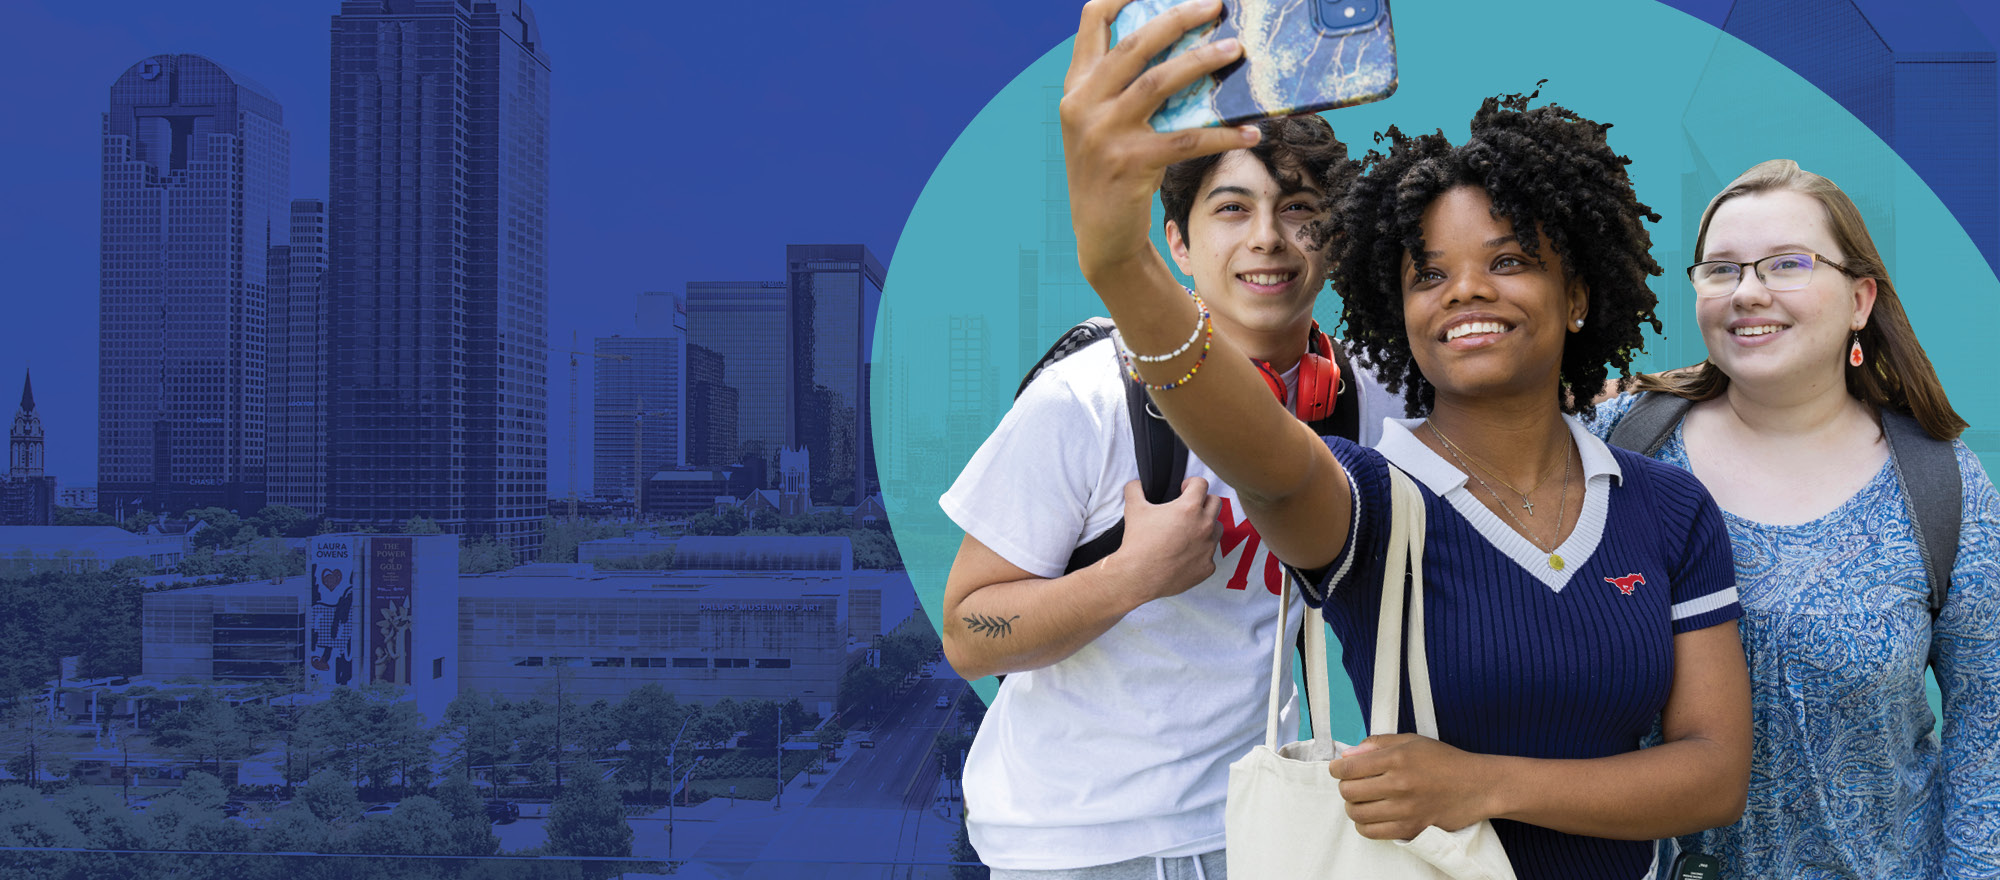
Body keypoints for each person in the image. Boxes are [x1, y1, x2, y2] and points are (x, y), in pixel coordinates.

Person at [1053, 2, 1752, 878]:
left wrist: (1482, 784)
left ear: (1576, 296)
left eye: (1507, 262)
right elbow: (1261, 455)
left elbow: (1713, 776)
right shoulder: (1371, 500)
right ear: (1401, 313)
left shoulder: (1668, 507)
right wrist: (1119, 261)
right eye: (1429, 274)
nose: (1464, 292)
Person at [938, 99, 1400, 880]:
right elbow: (965, 633)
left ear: (1337, 240)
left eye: (1299, 211)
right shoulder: (1086, 399)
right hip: (1076, 843)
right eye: (1232, 209)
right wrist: (1131, 575)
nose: (1267, 239)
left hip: (1264, 828)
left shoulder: (1369, 398)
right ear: (1178, 244)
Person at [1591, 160, 2000, 877]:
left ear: (1859, 298)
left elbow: (1988, 722)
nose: (1748, 292)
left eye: (1787, 264)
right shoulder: (1619, 446)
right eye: (1721, 270)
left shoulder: (1940, 481)